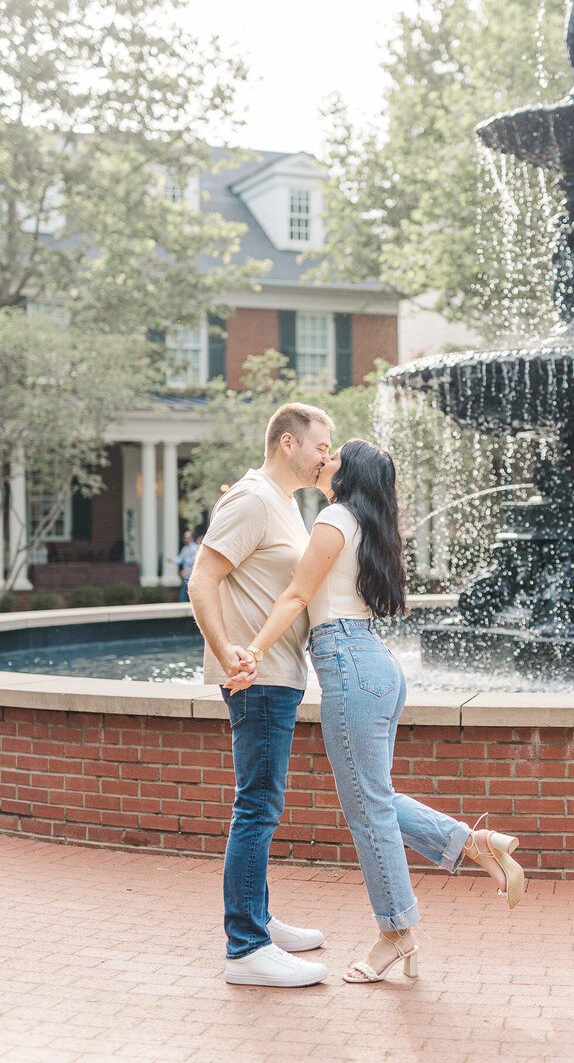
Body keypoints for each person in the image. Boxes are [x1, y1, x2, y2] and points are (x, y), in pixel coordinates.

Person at [225, 438, 525, 984]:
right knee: (374, 800)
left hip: (349, 665)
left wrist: (254, 652)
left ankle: (395, 932)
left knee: (368, 812)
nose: (326, 458)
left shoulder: (335, 517)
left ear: (349, 471)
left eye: (334, 454)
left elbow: (295, 596)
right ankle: (474, 844)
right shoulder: (371, 525)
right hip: (376, 664)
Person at [188, 402, 335, 988]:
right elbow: (202, 578)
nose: (327, 455)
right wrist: (228, 655)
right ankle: (245, 948)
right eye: (321, 445)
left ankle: (260, 921)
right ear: (287, 444)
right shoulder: (252, 498)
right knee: (256, 807)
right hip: (258, 677)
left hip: (279, 673)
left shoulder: (287, 504)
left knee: (262, 806)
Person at [169, 530, 198, 602]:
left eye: (187, 537)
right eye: (185, 537)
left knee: (184, 595)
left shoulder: (195, 548)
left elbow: (195, 561)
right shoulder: (185, 548)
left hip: (192, 575)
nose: (185, 539)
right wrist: (171, 560)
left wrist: (185, 558)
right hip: (186, 576)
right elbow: (180, 559)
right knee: (186, 594)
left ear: (192, 538)